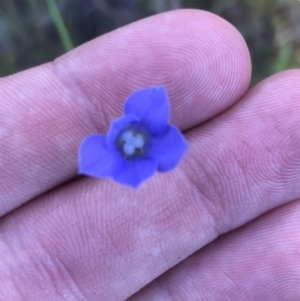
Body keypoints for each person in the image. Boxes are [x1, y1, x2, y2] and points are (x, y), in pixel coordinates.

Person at [0, 9, 299, 301]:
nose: (131, 143)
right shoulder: (100, 152)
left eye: (132, 140)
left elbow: (164, 143)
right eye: (129, 138)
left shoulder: (151, 121)